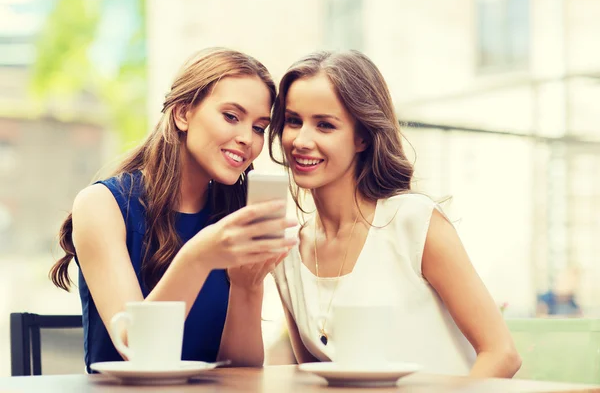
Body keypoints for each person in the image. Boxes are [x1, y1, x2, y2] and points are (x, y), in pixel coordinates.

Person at [268, 50, 522, 377]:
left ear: (362, 137)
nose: (301, 140)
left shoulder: (414, 222)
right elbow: (315, 374)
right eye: (293, 121)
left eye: (325, 125)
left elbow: (501, 353)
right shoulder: (288, 251)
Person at [49, 47, 298, 372]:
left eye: (258, 128)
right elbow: (136, 347)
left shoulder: (233, 218)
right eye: (232, 117)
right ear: (183, 114)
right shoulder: (101, 206)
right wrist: (199, 257)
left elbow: (241, 371)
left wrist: (247, 286)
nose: (246, 139)